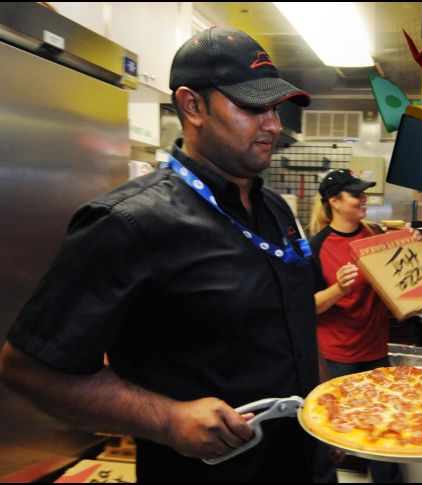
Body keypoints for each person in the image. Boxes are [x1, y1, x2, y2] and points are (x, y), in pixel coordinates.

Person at [0, 27, 334, 483]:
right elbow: (27, 366)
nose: (273, 124)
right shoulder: (129, 224)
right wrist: (166, 419)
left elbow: (293, 323)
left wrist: (324, 420)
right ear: (192, 105)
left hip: (305, 467)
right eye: (252, 107)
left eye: (274, 108)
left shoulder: (274, 210)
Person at [309, 170, 418, 483]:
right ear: (334, 201)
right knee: (331, 430)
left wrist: (412, 251)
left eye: (363, 193)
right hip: (336, 357)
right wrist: (338, 289)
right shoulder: (316, 247)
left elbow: (403, 286)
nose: (364, 200)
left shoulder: (376, 237)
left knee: (383, 427)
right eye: (356, 194)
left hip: (374, 351)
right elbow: (308, 306)